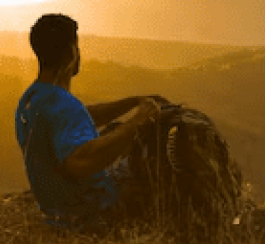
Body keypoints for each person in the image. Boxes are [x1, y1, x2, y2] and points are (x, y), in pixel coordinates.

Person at [15, 13, 160, 231]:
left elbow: (79, 117)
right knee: (158, 162)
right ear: (70, 53)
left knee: (117, 136)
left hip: (57, 209)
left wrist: (131, 104)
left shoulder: (33, 98)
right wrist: (137, 123)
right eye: (76, 46)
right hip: (91, 211)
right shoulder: (62, 103)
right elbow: (79, 163)